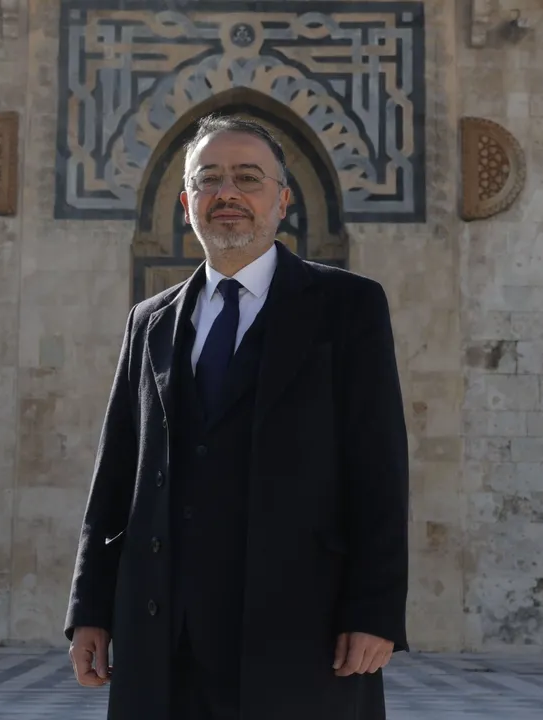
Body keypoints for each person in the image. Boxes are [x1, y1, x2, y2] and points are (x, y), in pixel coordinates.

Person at [64, 113, 410, 720]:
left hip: (301, 633)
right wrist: (90, 609)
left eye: (248, 178)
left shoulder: (347, 307)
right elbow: (116, 479)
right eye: (209, 179)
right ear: (186, 203)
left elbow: (379, 471)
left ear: (282, 201)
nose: (227, 193)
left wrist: (374, 612)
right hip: (164, 640)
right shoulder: (150, 322)